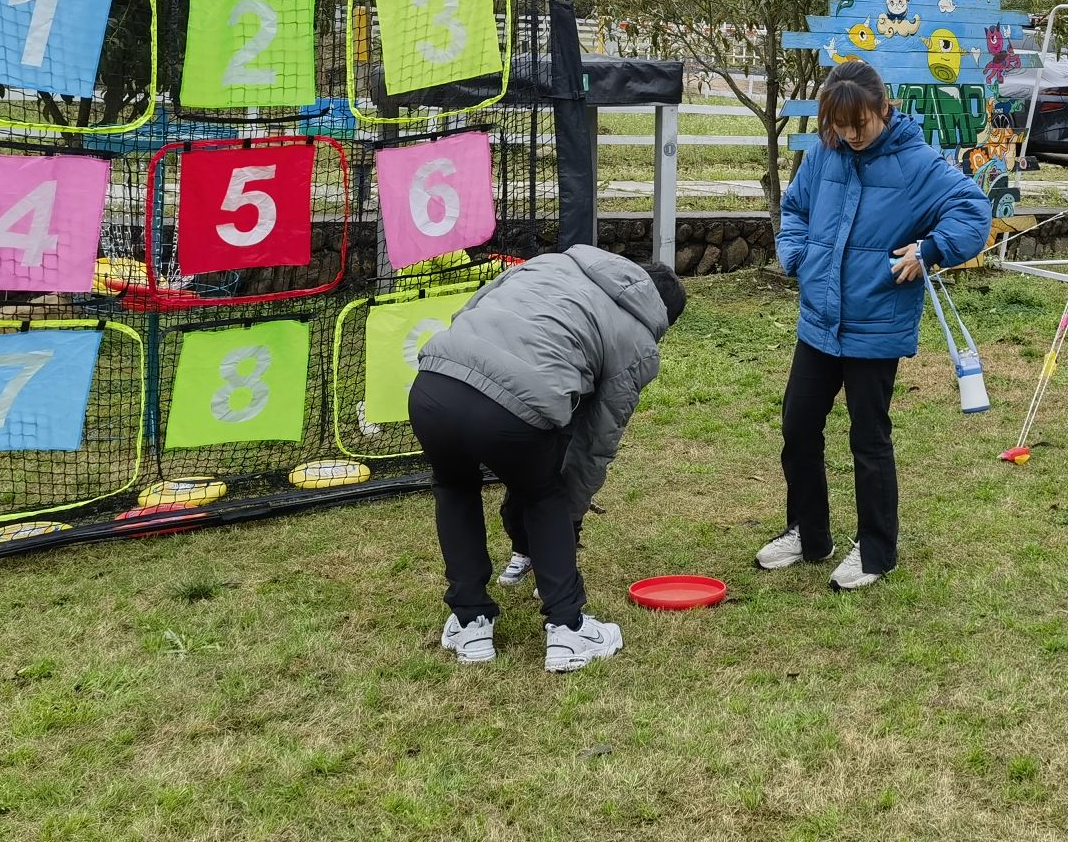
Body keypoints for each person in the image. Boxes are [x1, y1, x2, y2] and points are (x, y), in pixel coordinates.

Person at [756, 58, 993, 590]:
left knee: (868, 438)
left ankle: (876, 552)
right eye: (838, 126)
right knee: (798, 428)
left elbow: (973, 210)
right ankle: (809, 535)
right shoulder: (825, 154)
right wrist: (796, 256)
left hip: (875, 325)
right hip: (818, 322)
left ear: (882, 109)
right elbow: (793, 209)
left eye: (858, 124)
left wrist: (931, 249)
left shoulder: (917, 164)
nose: (848, 135)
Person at [408, 247, 687, 670]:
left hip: (434, 385)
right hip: (512, 412)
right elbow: (595, 443)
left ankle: (471, 625)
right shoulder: (639, 341)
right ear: (661, 316)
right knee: (544, 495)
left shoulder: (551, 262)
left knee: (454, 488)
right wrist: (567, 516)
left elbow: (471, 310)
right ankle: (568, 630)